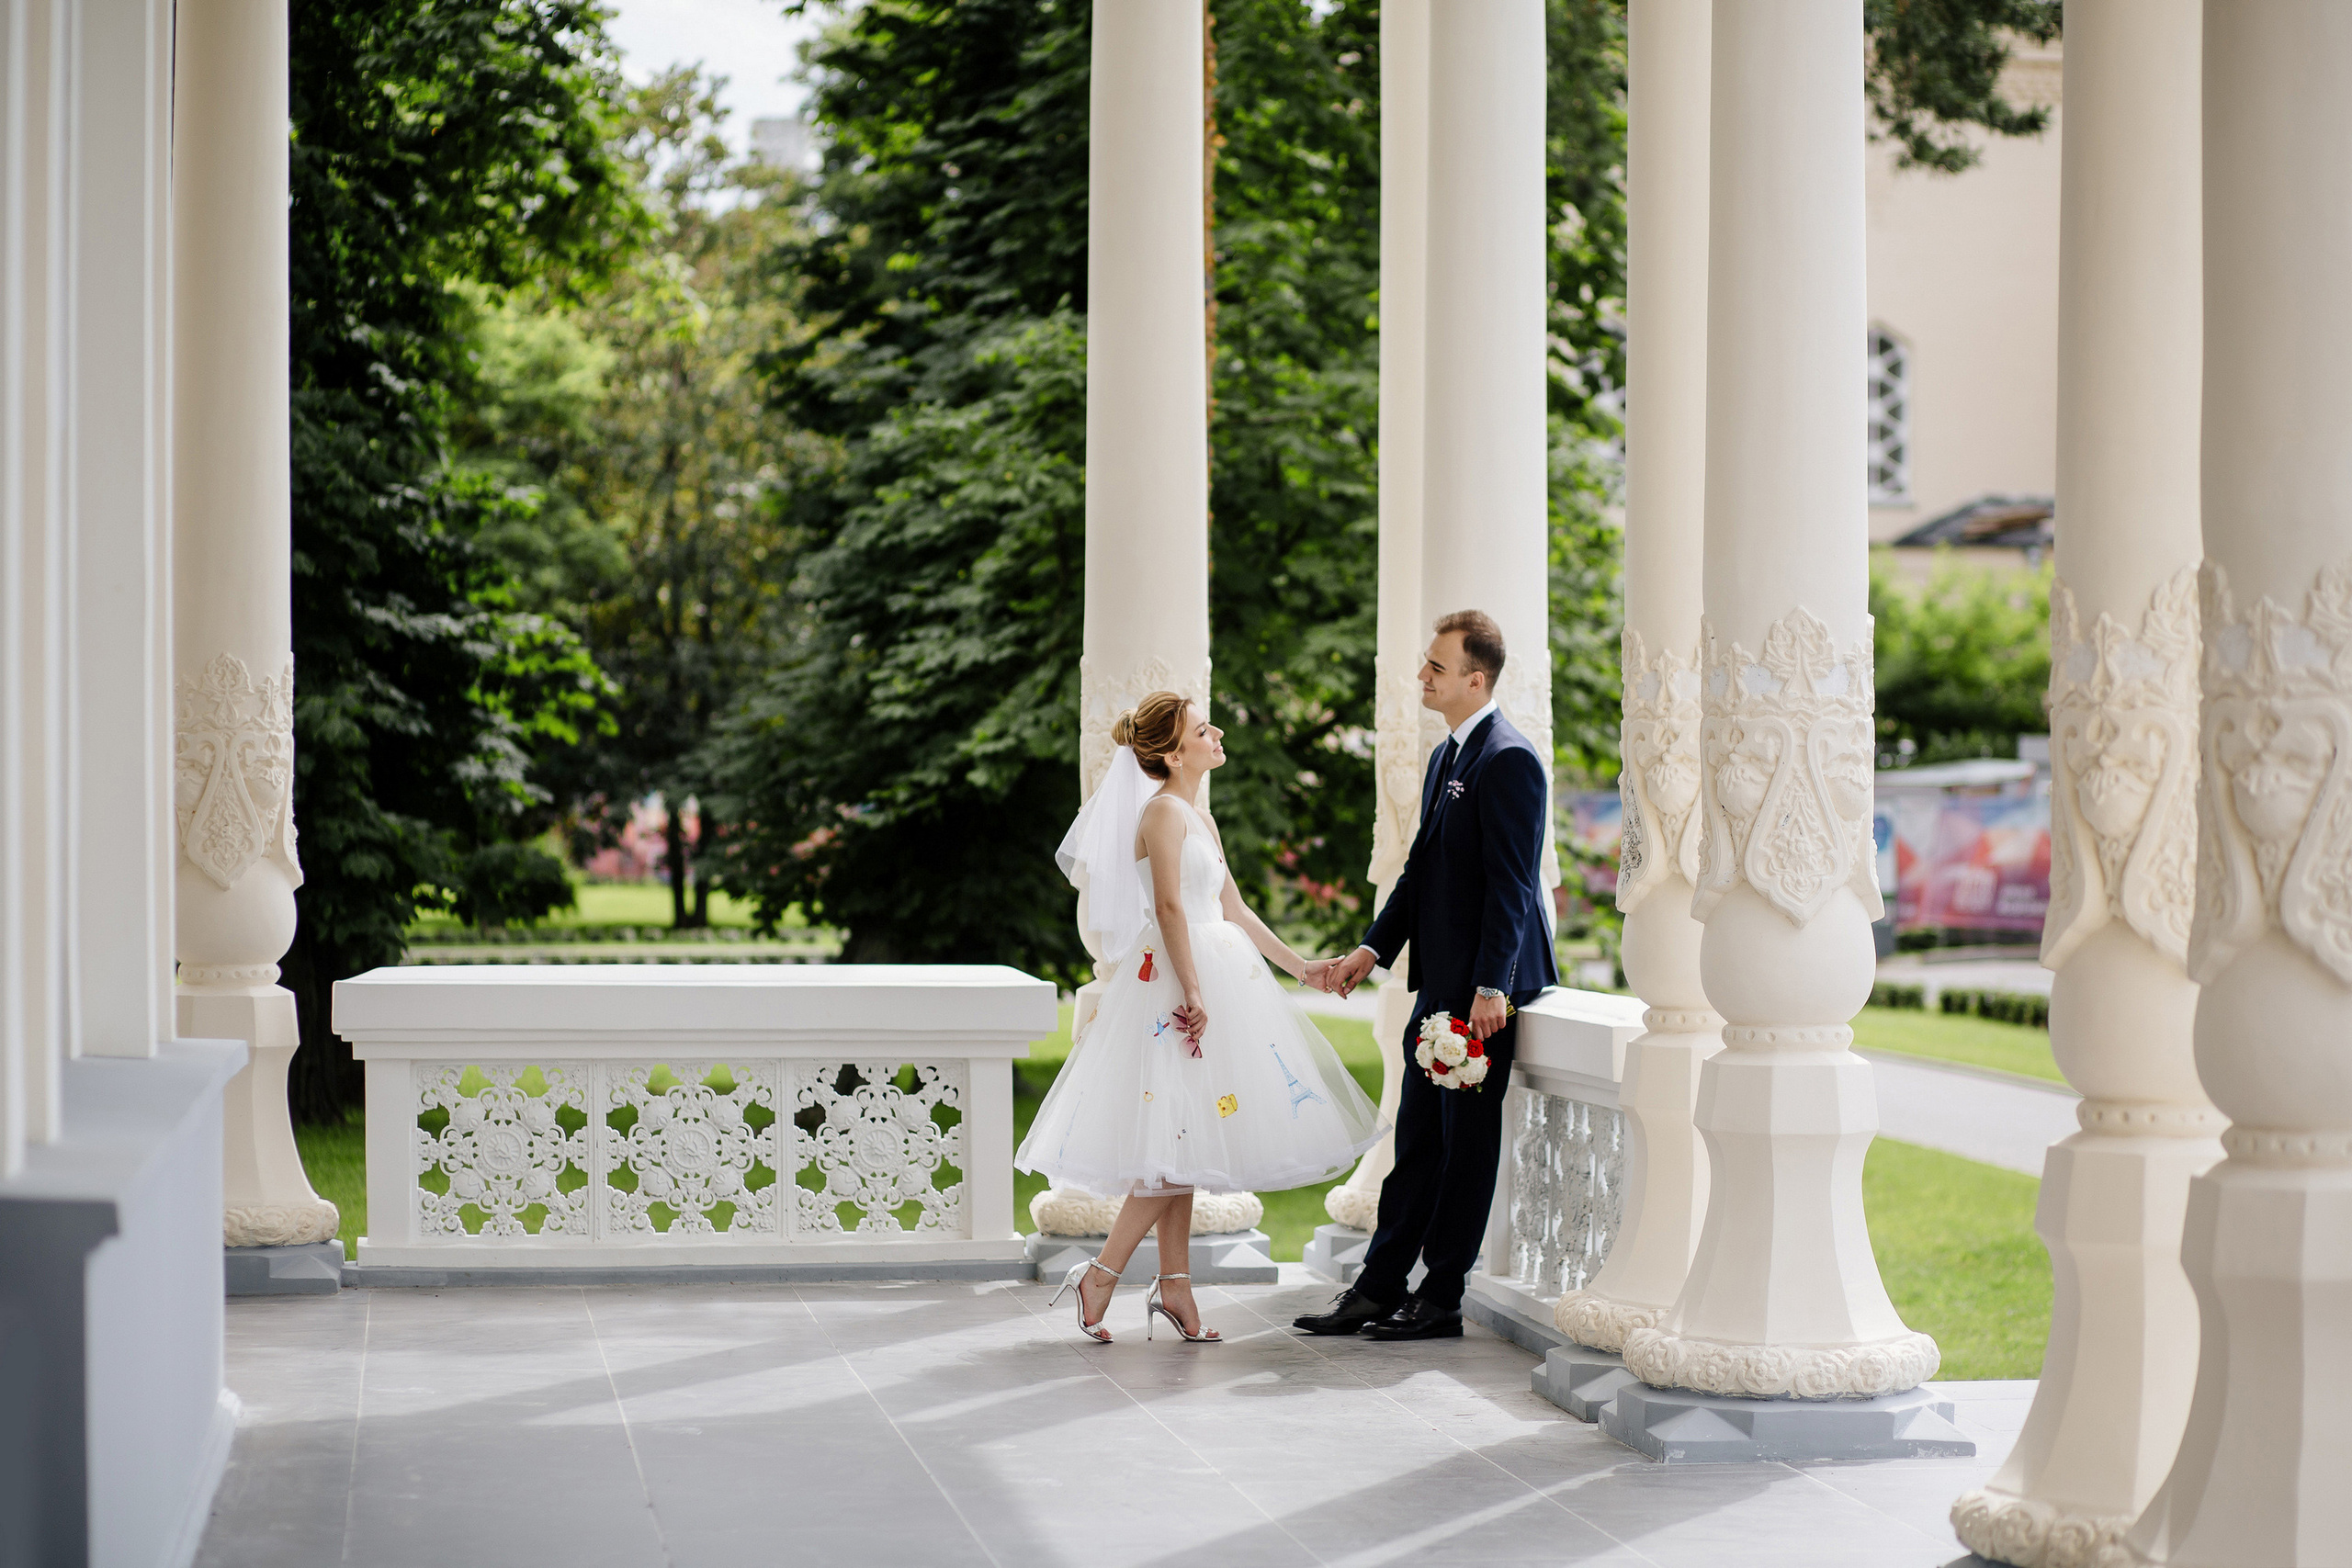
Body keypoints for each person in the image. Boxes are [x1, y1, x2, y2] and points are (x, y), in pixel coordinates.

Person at [1020, 691, 1382, 1343]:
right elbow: (1169, 907)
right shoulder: (1160, 813)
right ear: (1171, 751)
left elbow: (1234, 910)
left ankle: (1175, 1287)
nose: (1217, 733)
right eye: (1202, 728)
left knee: (1182, 1141)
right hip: (1176, 986)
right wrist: (1193, 991)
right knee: (1171, 1146)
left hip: (1219, 973)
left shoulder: (1198, 818)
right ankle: (1102, 1273)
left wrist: (1303, 968)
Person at [1294, 610, 1557, 1341]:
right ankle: (1377, 1289)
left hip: (1481, 999)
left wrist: (1493, 987)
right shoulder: (1448, 756)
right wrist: (1370, 951)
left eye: (1436, 667)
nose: (1423, 677)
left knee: (1462, 1151)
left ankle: (1441, 1297)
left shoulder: (1510, 759)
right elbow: (1418, 875)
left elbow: (1512, 886)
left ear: (1477, 678)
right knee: (1415, 1144)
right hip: (1436, 986)